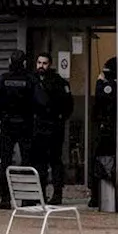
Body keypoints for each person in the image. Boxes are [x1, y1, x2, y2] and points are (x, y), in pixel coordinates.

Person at [0, 49, 36, 209]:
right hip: (26, 125)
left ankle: (5, 199)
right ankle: (27, 198)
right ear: (25, 63)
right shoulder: (30, 81)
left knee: (5, 162)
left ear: (9, 62)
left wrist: (3, 116)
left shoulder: (1, 80)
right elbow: (42, 102)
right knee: (28, 161)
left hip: (7, 125)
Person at [32, 52, 74, 205]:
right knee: (39, 163)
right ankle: (40, 194)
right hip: (38, 128)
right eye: (39, 63)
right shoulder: (32, 81)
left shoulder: (59, 83)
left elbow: (68, 105)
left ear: (50, 65)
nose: (41, 66)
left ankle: (57, 193)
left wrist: (60, 119)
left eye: (44, 63)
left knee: (55, 161)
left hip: (54, 128)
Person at [89, 57, 118, 209]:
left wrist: (100, 83)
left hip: (108, 132)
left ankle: (97, 196)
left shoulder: (110, 86)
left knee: (100, 162)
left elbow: (101, 98)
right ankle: (98, 195)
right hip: (109, 130)